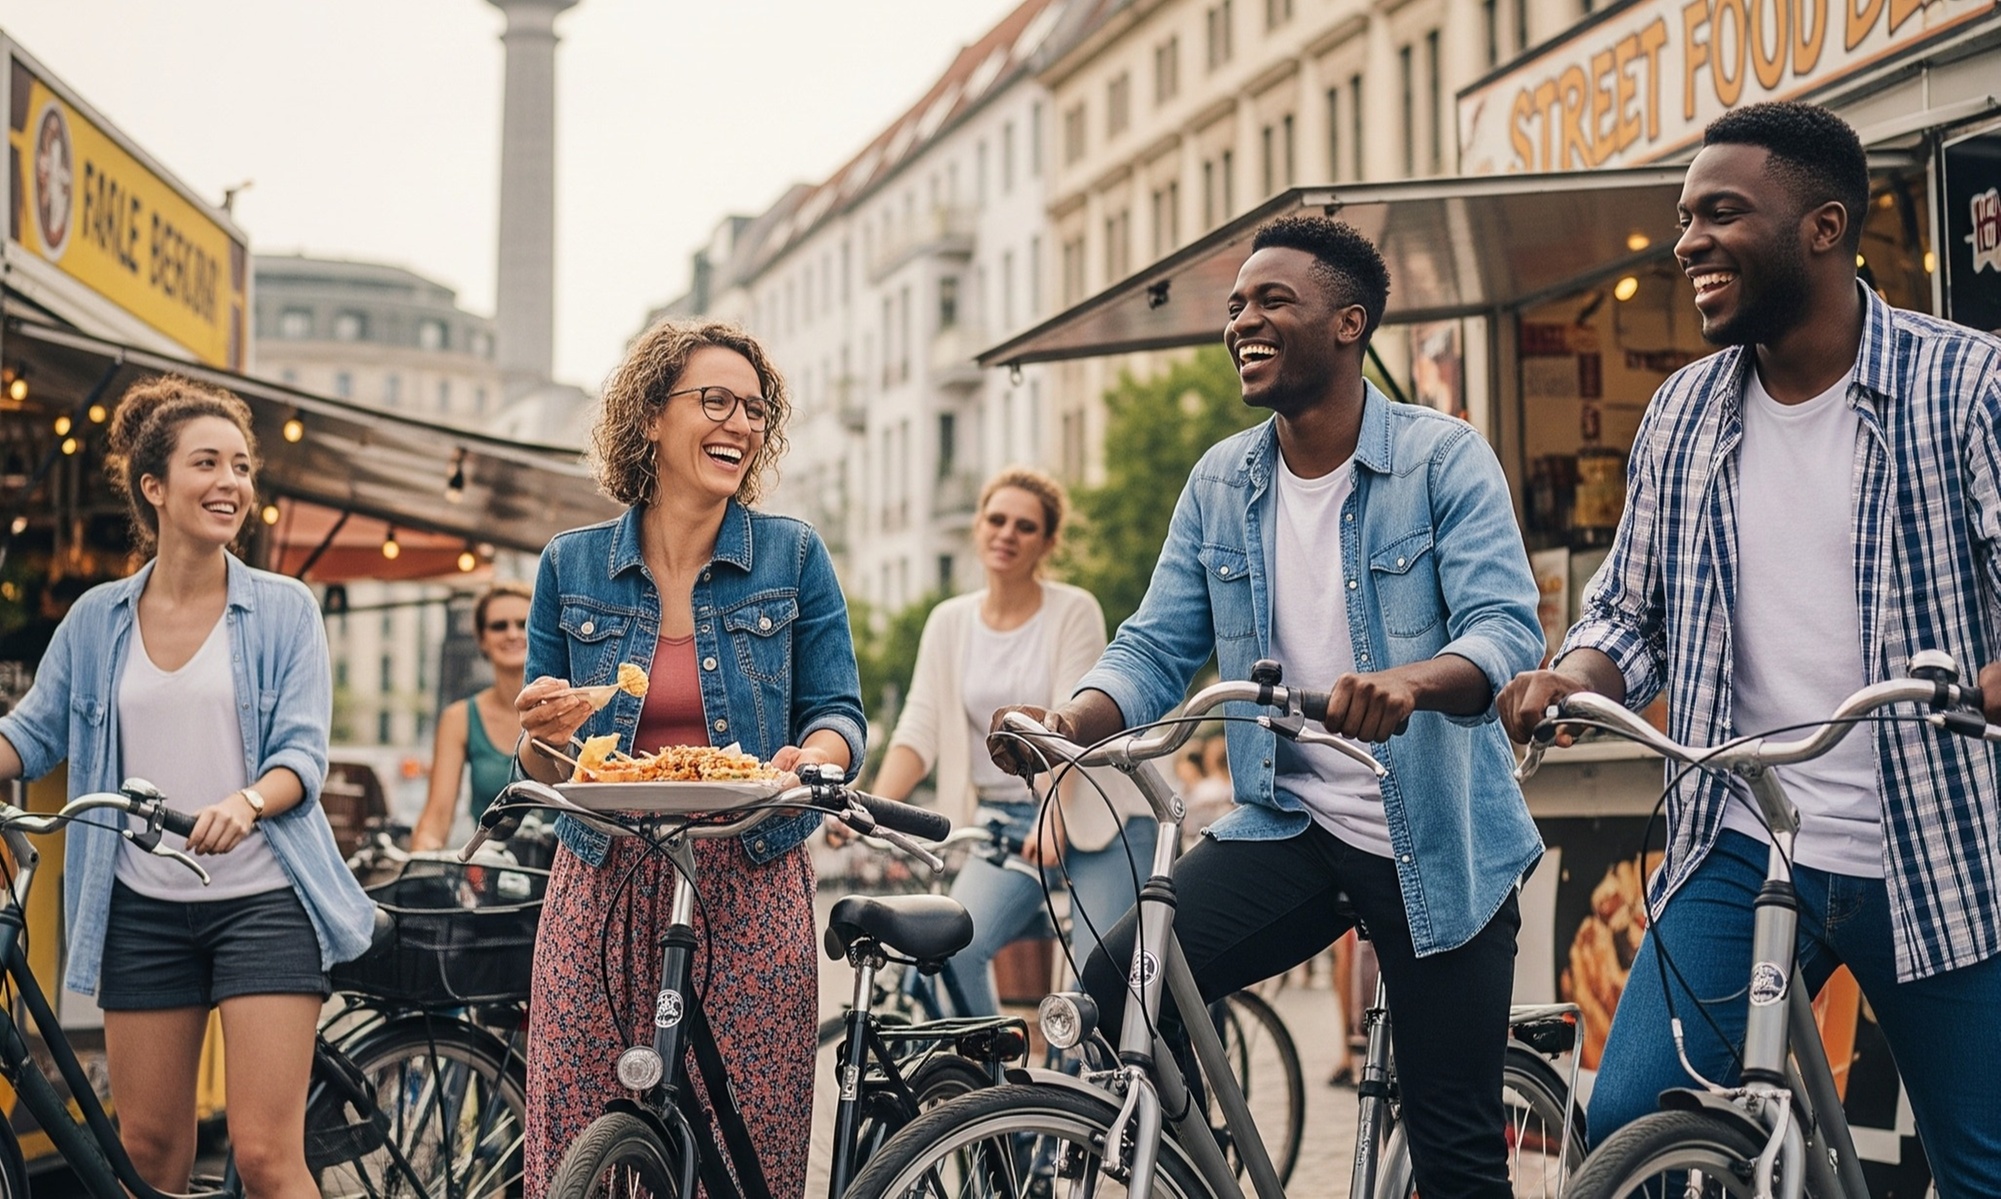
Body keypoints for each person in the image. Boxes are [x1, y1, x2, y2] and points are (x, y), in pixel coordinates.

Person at [1498, 102, 2001, 1194]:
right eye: (1685, 216)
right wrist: (1577, 673)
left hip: (1943, 847)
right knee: (1632, 1115)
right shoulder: (1682, 411)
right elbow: (1633, 609)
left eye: (1721, 213)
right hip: (1745, 835)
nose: (1687, 242)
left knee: (1982, 1160)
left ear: (1824, 227)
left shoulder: (1964, 384)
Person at [991, 215, 1545, 1199]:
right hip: (1293, 819)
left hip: (1442, 836)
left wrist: (1414, 682)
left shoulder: (1442, 457)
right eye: (1237, 305)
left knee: (1456, 1145)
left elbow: (1506, 626)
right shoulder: (1222, 480)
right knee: (1125, 974)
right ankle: (1204, 1170)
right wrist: (1070, 723)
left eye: (1271, 301)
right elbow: (1157, 640)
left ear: (1347, 322)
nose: (1242, 320)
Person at [513, 319, 865, 1196]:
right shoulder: (571, 565)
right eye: (715, 401)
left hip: (748, 870)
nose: (740, 424)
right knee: (576, 1134)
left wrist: (807, 758)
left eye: (755, 409)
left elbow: (839, 716)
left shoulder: (793, 554)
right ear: (649, 420)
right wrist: (546, 732)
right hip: (601, 875)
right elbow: (543, 755)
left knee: (744, 1134)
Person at [0, 376, 373, 1199]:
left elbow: (301, 758)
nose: (231, 483)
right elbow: (27, 736)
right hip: (141, 905)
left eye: (241, 466)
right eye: (207, 463)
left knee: (266, 1154)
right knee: (149, 1147)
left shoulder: (283, 609)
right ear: (154, 487)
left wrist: (245, 802)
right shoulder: (98, 618)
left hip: (264, 901)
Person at [867, 467, 1152, 1014]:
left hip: (1096, 819)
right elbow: (917, 728)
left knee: (1097, 984)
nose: (1007, 534)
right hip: (1003, 823)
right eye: (996, 520)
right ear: (977, 527)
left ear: (1046, 543)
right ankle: (995, 1093)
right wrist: (872, 808)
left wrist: (1052, 814)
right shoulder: (949, 622)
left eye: (1025, 527)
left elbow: (1070, 728)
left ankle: (1096, 1092)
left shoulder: (1073, 610)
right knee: (952, 950)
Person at [412, 580, 530, 852]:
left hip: (562, 871)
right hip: (490, 876)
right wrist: (419, 861)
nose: (512, 633)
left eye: (523, 623)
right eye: (498, 625)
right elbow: (437, 817)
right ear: (481, 639)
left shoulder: (570, 705)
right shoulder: (460, 718)